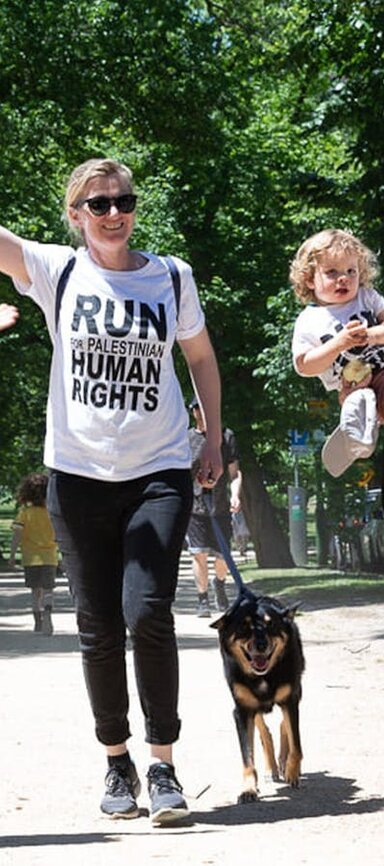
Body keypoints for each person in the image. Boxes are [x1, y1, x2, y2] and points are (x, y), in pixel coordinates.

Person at [0, 157, 222, 825]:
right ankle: (117, 761)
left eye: (122, 199)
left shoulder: (170, 276)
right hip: (76, 475)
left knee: (147, 609)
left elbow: (202, 358)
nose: (113, 211)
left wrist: (212, 438)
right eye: (98, 203)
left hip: (158, 470)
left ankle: (163, 765)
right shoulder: (55, 269)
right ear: (76, 215)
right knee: (97, 625)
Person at [291, 228, 384, 435]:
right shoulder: (309, 320)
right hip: (371, 385)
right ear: (309, 280)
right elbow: (305, 366)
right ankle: (360, 417)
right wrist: (339, 343)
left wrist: (371, 335)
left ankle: (362, 422)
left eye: (351, 271)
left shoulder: (366, 297)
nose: (344, 278)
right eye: (332, 272)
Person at [186, 396, 242, 617]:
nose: (202, 412)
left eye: (206, 408)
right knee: (198, 554)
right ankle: (203, 599)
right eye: (198, 408)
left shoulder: (226, 437)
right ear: (193, 412)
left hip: (219, 507)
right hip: (195, 506)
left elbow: (234, 472)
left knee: (222, 556)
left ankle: (219, 584)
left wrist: (235, 495)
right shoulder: (186, 438)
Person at [8, 472, 58, 635]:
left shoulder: (25, 513)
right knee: (48, 590)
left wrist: (12, 555)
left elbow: (17, 535)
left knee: (35, 592)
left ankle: (38, 622)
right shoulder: (52, 513)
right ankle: (48, 612)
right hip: (50, 557)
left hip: (31, 559)